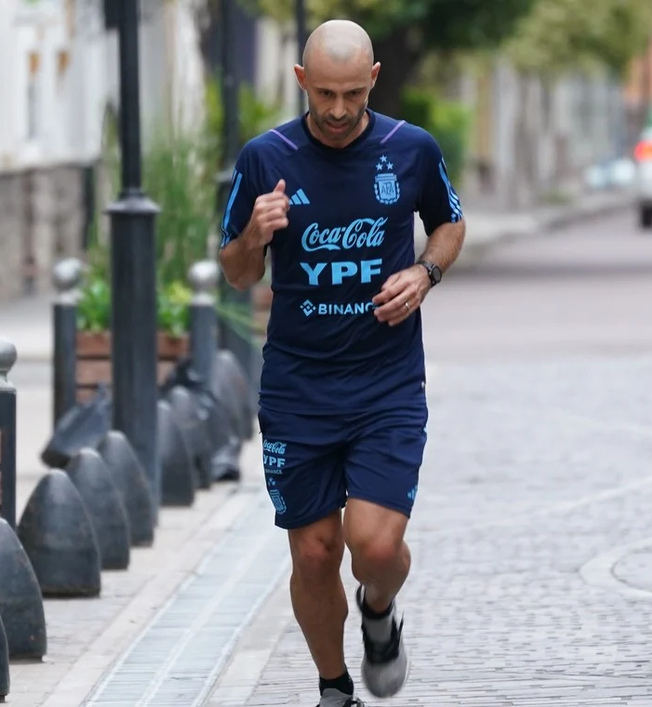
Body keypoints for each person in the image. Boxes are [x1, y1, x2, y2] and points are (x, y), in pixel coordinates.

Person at [218, 19, 466, 707]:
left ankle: (379, 613)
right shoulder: (265, 159)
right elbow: (236, 273)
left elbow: (449, 222)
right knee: (315, 551)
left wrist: (425, 273)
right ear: (301, 81)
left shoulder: (408, 149)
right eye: (323, 92)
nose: (335, 109)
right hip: (298, 385)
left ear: (373, 81)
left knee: (375, 548)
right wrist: (253, 234)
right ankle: (334, 687)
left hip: (386, 381)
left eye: (351, 94)